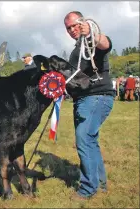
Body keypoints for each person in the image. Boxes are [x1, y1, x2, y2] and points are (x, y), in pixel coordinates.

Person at [64, 11, 115, 200]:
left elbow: (106, 44)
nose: (71, 30)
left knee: (84, 139)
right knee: (90, 140)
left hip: (96, 97)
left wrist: (91, 34)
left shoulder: (91, 41)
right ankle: (99, 183)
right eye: (68, 28)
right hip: (83, 100)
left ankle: (87, 188)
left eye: (74, 25)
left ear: (83, 22)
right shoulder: (76, 50)